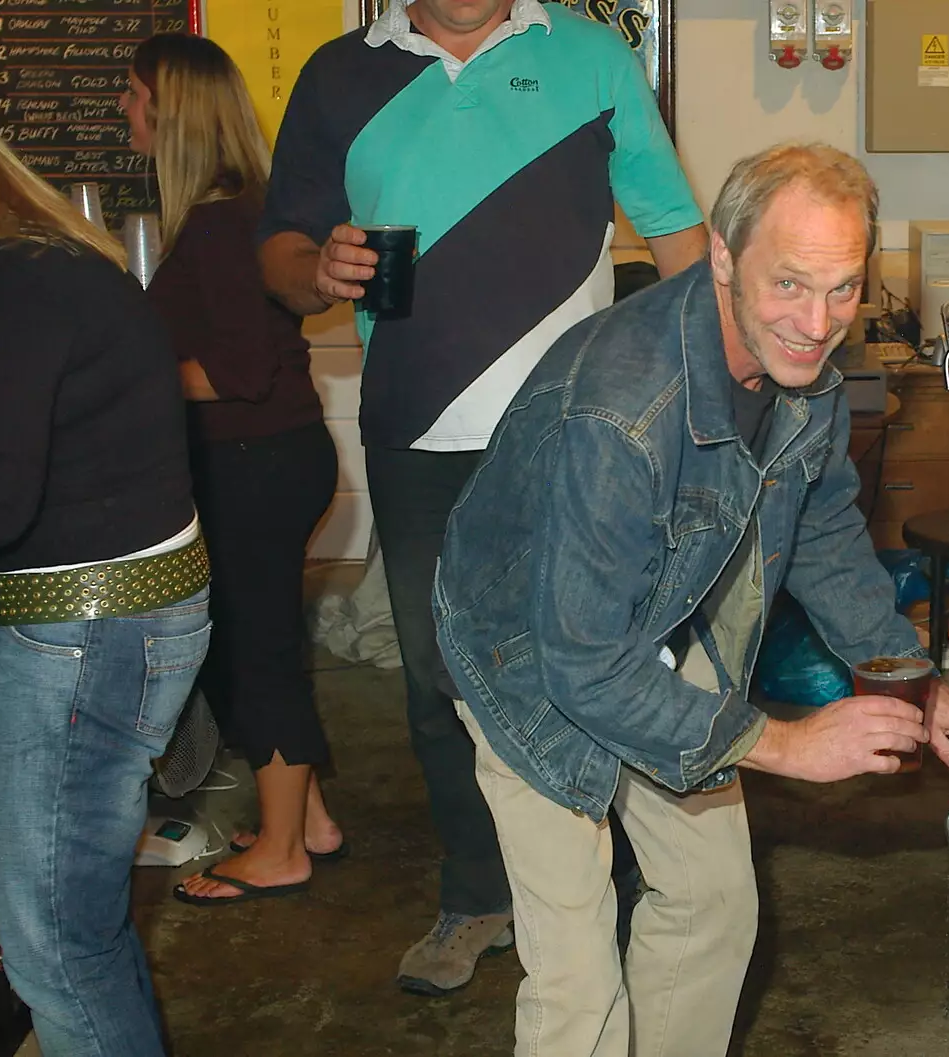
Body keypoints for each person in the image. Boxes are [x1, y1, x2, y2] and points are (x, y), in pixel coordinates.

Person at [433, 143, 949, 1057]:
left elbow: (824, 532)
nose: (818, 322)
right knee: (579, 981)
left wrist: (912, 676)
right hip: (526, 659)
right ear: (721, 256)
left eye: (842, 289)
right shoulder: (621, 412)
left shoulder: (808, 378)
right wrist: (784, 742)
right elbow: (584, 662)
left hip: (658, 612)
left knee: (711, 902)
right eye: (790, 283)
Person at [256, 0, 708, 994]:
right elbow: (279, 252)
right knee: (437, 678)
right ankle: (477, 893)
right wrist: (316, 267)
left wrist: (719, 391)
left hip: (577, 438)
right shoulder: (339, 74)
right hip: (415, 438)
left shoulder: (593, 58)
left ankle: (613, 887)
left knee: (590, 666)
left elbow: (676, 232)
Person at [0, 98, 210, 1056]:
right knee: (81, 932)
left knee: (54, 948)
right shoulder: (38, 260)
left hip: (85, 636)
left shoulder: (1, 285)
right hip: (118, 617)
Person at [117, 33, 346, 906]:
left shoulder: (219, 220)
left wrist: (127, 381)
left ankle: (283, 848)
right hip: (265, 461)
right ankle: (309, 822)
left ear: (170, 109)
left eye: (134, 94)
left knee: (258, 653)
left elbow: (241, 374)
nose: (124, 111)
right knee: (245, 646)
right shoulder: (237, 212)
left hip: (255, 461)